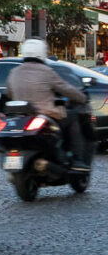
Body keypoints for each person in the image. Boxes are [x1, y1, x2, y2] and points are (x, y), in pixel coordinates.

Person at [6, 38, 90, 172]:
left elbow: (9, 93)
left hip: (21, 118)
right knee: (73, 117)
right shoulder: (46, 71)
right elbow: (66, 88)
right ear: (42, 53)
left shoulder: (14, 72)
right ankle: (77, 159)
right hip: (45, 114)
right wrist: (82, 97)